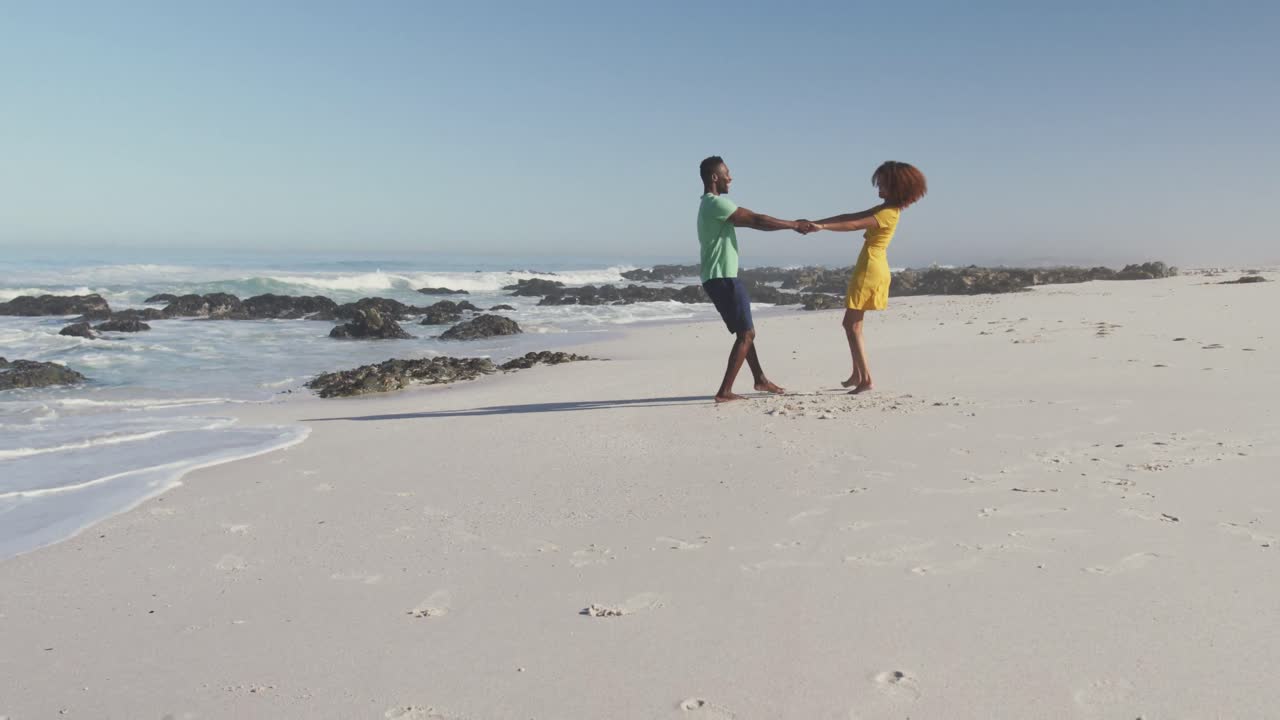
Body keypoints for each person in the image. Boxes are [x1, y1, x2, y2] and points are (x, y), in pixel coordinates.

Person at [697, 156, 817, 403]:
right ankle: (725, 391)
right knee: (747, 334)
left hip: (716, 277)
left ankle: (760, 379)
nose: (731, 178)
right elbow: (757, 220)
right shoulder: (715, 204)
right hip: (723, 278)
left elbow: (755, 221)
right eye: (727, 173)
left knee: (744, 332)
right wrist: (794, 225)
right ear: (714, 178)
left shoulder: (709, 207)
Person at [812, 161, 928, 394]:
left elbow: (854, 224)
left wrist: (822, 227)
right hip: (872, 265)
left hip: (870, 269)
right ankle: (857, 374)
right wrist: (819, 223)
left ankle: (866, 379)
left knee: (851, 325)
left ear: (897, 187)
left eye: (883, 185)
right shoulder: (885, 209)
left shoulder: (887, 213)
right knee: (853, 324)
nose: (879, 189)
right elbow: (850, 215)